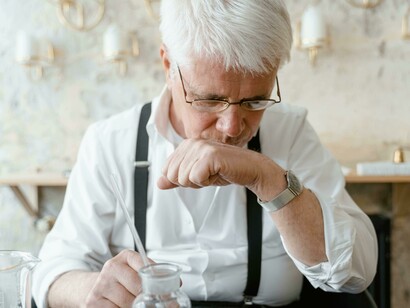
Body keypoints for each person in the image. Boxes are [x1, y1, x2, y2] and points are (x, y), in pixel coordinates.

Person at [32, 1, 378, 307]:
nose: (232, 127)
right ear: (169, 66)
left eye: (254, 101)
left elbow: (357, 272)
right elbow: (51, 272)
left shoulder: (291, 133)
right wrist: (91, 288)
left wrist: (269, 179)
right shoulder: (109, 143)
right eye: (210, 100)